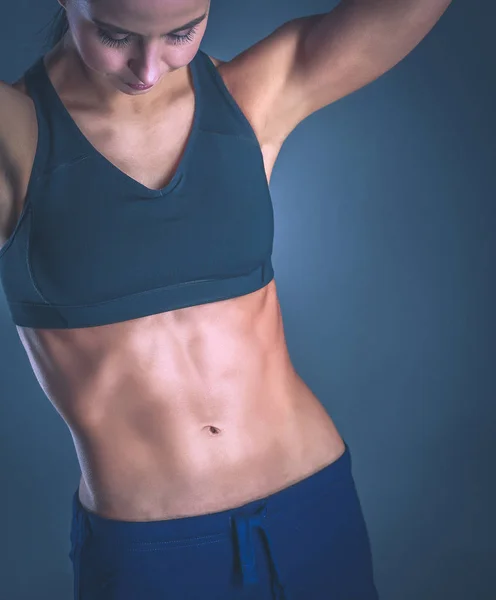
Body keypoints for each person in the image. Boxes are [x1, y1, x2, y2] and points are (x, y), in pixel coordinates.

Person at [0, 0, 452, 598]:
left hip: (313, 506)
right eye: (115, 36)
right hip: (153, 551)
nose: (148, 67)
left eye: (181, 33)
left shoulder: (252, 93)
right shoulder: (14, 132)